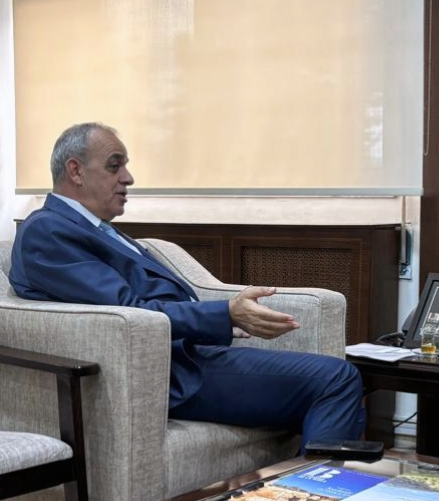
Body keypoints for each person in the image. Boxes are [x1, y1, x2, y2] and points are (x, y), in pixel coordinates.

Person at [9, 122, 365, 451]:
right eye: (114, 166)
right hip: (166, 373)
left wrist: (221, 318)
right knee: (336, 379)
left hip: (184, 356)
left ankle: (287, 499)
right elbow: (130, 310)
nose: (128, 178)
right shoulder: (48, 231)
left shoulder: (97, 228)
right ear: (75, 171)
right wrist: (224, 315)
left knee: (326, 382)